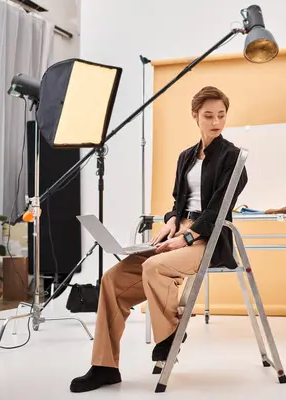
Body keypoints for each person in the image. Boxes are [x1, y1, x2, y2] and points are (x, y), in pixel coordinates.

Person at [70, 86, 248, 393]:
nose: (216, 121)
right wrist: (170, 222)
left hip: (207, 238)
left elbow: (219, 209)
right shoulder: (186, 157)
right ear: (195, 116)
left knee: (154, 267)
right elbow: (179, 202)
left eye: (221, 115)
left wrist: (187, 237)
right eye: (208, 115)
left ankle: (169, 337)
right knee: (112, 279)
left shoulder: (233, 158)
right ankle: (104, 367)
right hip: (181, 231)